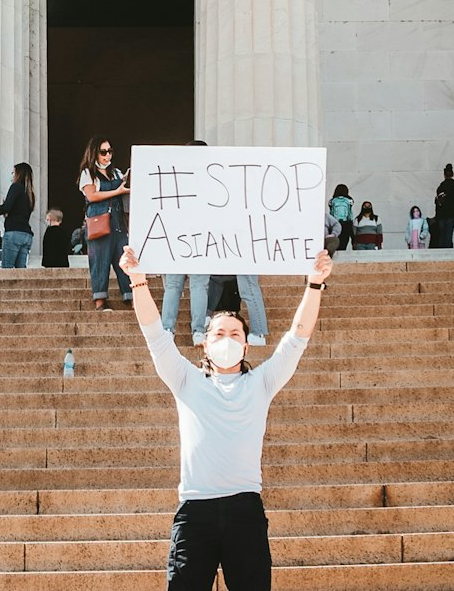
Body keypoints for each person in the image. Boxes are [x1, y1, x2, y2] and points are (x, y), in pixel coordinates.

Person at [119, 241, 333, 590]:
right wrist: (138, 281)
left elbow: (297, 338)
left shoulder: (262, 382)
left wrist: (314, 284)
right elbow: (155, 335)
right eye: (220, 333)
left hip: (244, 511)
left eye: (236, 333)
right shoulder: (185, 378)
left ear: (246, 345)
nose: (228, 338)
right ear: (204, 342)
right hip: (194, 512)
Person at [163, 140, 211, 346]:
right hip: (200, 236)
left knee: (173, 285)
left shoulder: (177, 177)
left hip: (177, 236)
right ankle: (198, 331)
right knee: (199, 285)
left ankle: (167, 329)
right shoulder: (211, 179)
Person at [78, 136, 132, 311]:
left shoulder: (116, 172)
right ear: (94, 153)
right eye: (103, 152)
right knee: (100, 260)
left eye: (110, 151)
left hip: (118, 222)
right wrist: (117, 191)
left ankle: (130, 296)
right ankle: (100, 300)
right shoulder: (87, 173)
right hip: (99, 221)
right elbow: (92, 196)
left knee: (124, 259)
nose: (107, 155)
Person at [0, 163, 35, 268]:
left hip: (13, 232)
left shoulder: (15, 187)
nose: (12, 175)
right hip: (26, 234)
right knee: (20, 270)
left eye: (13, 173)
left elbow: (7, 207)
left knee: (7, 268)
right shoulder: (30, 194)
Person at [429, 163, 454, 249]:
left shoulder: (441, 186)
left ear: (444, 175)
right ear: (452, 174)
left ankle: (441, 255)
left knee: (441, 236)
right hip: (451, 215)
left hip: (441, 215)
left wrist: (436, 216)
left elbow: (437, 202)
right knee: (448, 236)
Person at [328, 184, 354, 251]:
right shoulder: (349, 200)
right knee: (344, 242)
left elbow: (331, 212)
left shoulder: (332, 201)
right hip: (346, 224)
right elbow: (350, 213)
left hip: (335, 223)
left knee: (335, 241)